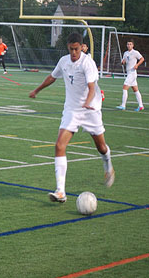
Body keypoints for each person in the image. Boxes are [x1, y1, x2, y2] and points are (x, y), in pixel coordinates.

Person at [29, 33, 115, 203]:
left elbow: (91, 88)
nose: (74, 52)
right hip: (72, 111)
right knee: (59, 145)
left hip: (91, 111)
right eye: (71, 49)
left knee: (101, 147)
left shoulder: (87, 63)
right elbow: (52, 77)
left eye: (76, 49)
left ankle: (108, 164)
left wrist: (89, 103)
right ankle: (60, 192)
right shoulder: (64, 61)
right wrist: (37, 90)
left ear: (82, 47)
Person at [116, 40, 145, 111]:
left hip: (132, 73)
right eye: (128, 44)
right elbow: (124, 60)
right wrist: (122, 62)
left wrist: (137, 65)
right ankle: (141, 105)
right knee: (135, 90)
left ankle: (123, 105)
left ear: (133, 45)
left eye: (130, 44)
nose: (129, 45)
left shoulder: (135, 52)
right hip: (129, 73)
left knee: (124, 88)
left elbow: (142, 59)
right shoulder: (125, 53)